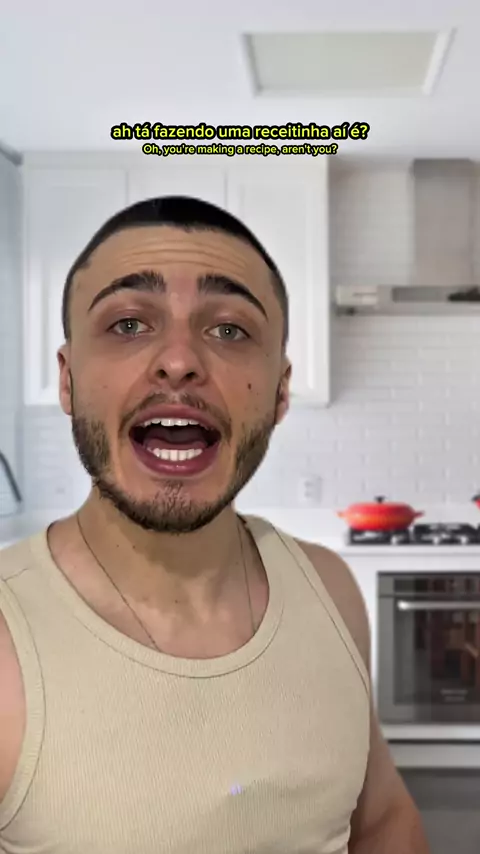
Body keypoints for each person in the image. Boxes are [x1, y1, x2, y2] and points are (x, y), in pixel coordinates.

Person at [0, 195, 430, 853]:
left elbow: (382, 822)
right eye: (128, 324)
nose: (179, 360)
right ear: (68, 380)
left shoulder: (329, 588)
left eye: (229, 330)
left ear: (280, 390)